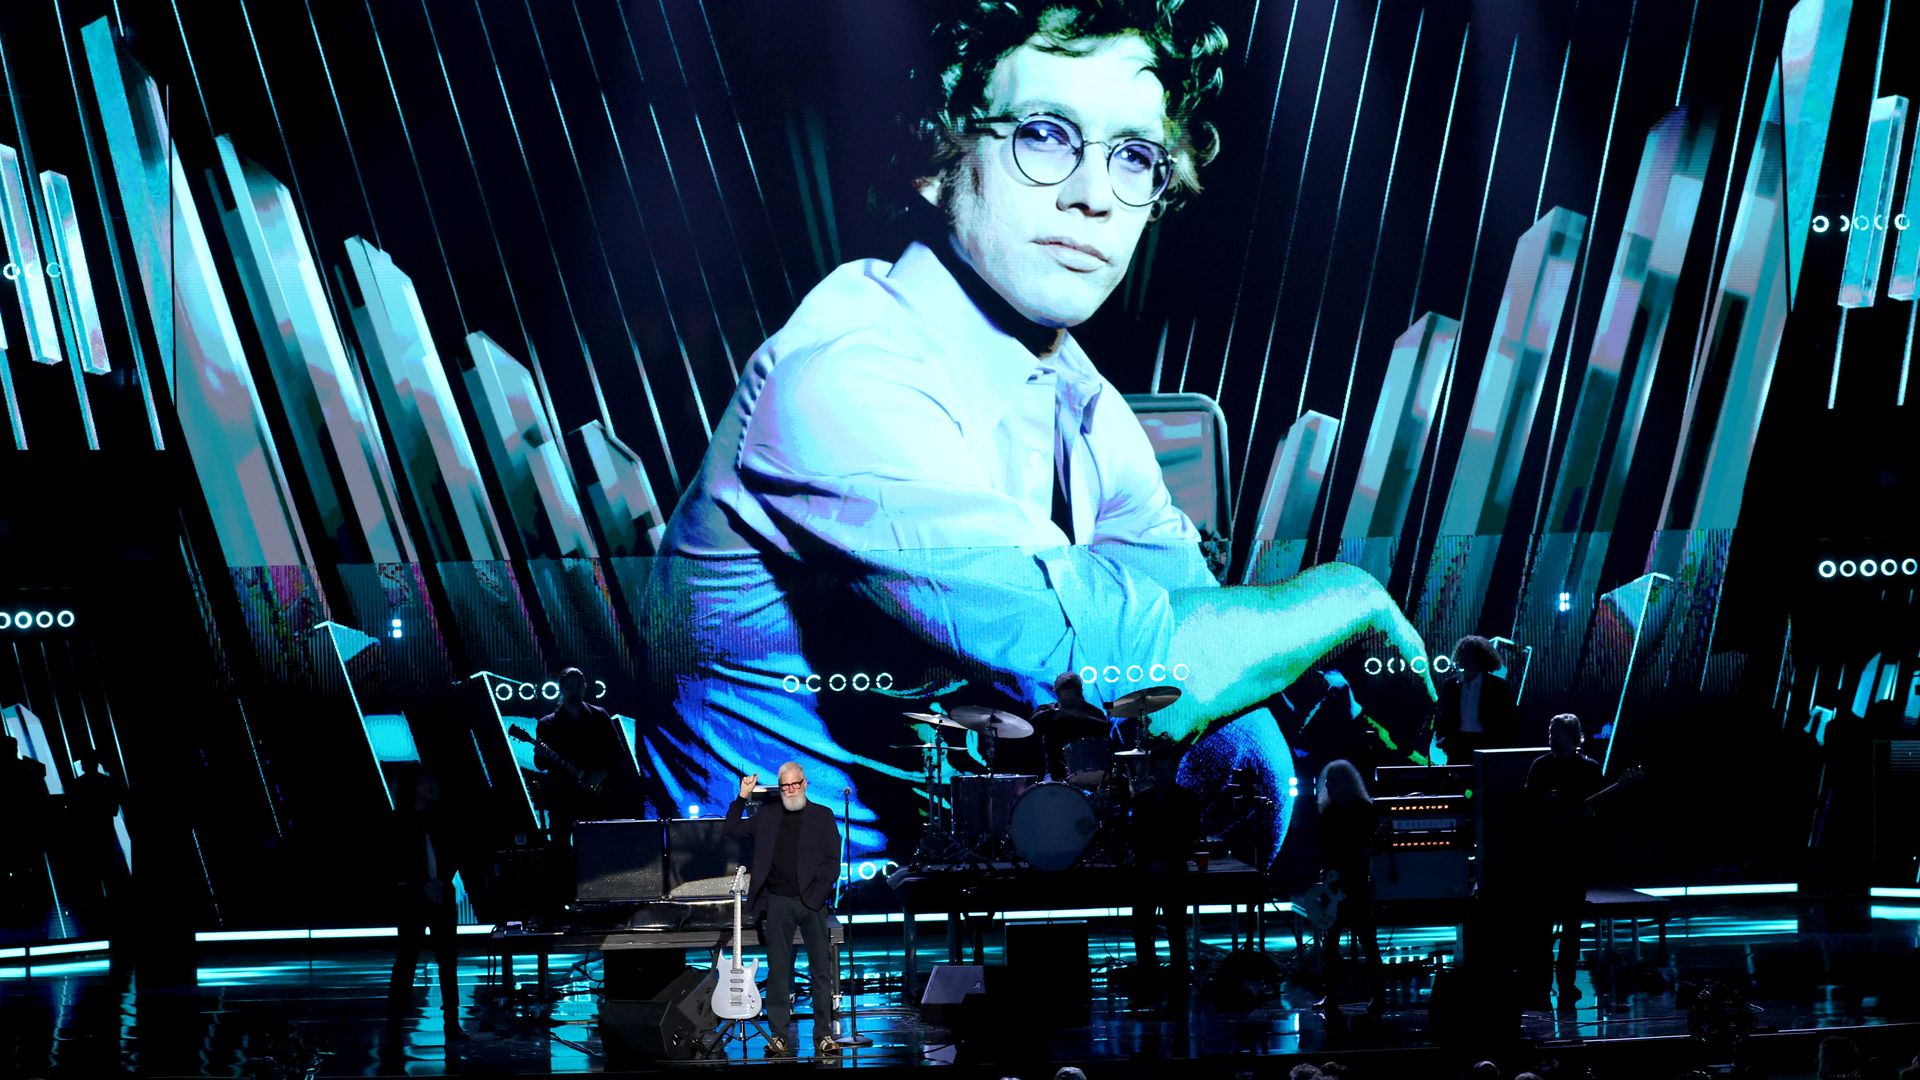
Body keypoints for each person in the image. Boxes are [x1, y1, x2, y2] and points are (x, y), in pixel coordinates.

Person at [644, 0, 1432, 864]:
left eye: (1134, 156)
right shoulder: (843, 381)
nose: (1094, 195)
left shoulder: (1085, 404)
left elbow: (1217, 709)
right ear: (937, 162)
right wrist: (1347, 600)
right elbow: (1130, 681)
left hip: (934, 916)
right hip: (754, 941)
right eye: (1048, 136)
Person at [724, 763, 841, 1058]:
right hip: (777, 902)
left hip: (810, 903)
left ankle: (823, 1035)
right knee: (778, 972)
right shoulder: (768, 815)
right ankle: (779, 1036)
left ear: (805, 783)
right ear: (780, 787)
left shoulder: (822, 816)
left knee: (820, 971)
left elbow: (832, 862)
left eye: (795, 785)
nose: (790, 791)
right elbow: (732, 828)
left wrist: (816, 896)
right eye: (785, 786)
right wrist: (742, 797)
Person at [1523, 714, 1603, 1007]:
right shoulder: (1541, 766)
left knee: (1571, 926)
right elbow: (1527, 805)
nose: (1550, 736)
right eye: (1549, 730)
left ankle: (1566, 984)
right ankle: (1543, 984)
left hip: (1574, 856)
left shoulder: (1589, 769)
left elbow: (1600, 810)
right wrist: (1545, 801)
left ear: (1571, 735)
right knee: (1542, 927)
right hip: (1546, 855)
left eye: (1554, 731)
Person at [386, 766, 465, 1039]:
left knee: (447, 959)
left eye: (427, 781)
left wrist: (441, 882)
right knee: (407, 958)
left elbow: (454, 851)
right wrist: (422, 886)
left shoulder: (441, 817)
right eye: (421, 783)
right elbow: (396, 863)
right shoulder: (399, 822)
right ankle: (395, 1023)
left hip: (441, 893)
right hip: (412, 898)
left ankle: (452, 1023)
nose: (427, 787)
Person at [1126, 736, 1201, 1006]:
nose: (1164, 775)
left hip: (1169, 869)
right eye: (1160, 770)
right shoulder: (1143, 801)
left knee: (1174, 928)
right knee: (1144, 927)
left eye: (1168, 769)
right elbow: (1137, 838)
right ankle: (1152, 974)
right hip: (1151, 868)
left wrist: (1162, 860)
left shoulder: (1186, 800)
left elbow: (1188, 836)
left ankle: (1174, 977)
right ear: (1154, 771)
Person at [533, 667, 640, 854]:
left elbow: (618, 754)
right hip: (563, 799)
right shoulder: (547, 724)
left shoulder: (599, 716)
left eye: (578, 686)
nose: (574, 691)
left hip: (595, 799)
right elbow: (541, 764)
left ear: (584, 687)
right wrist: (542, 755)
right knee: (561, 852)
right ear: (562, 689)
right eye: (570, 687)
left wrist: (602, 773)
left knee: (598, 851)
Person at [1313, 759, 1383, 1014]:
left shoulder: (1362, 811)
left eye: (1331, 782)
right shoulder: (1330, 813)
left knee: (1366, 940)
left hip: (1354, 883)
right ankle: (1333, 995)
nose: (1327, 786)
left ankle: (1376, 995)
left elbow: (1367, 848)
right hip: (1336, 884)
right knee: (1331, 943)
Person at [1436, 636, 1520, 761]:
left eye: (1469, 654)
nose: (1464, 658)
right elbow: (1444, 715)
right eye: (1462, 653)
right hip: (1457, 744)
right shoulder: (1451, 685)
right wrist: (1443, 737)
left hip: (1487, 744)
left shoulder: (1498, 686)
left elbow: (1508, 719)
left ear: (1480, 657)